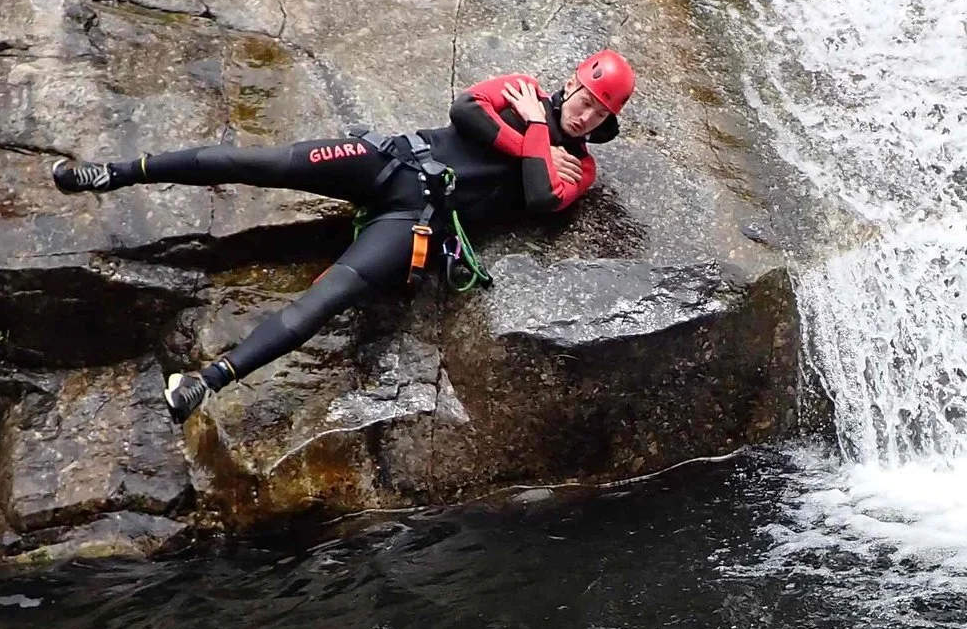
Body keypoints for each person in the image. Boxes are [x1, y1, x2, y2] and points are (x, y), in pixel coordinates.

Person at [50, 52, 635, 418]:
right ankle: (116, 172)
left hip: (417, 222)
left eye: (597, 114)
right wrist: (532, 135)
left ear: (606, 125)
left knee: (329, 296)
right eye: (585, 100)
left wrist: (537, 133)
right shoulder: (522, 91)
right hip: (390, 161)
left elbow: (541, 199)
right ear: (572, 83)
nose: (584, 116)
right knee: (262, 162)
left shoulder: (580, 169)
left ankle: (207, 380)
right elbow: (465, 113)